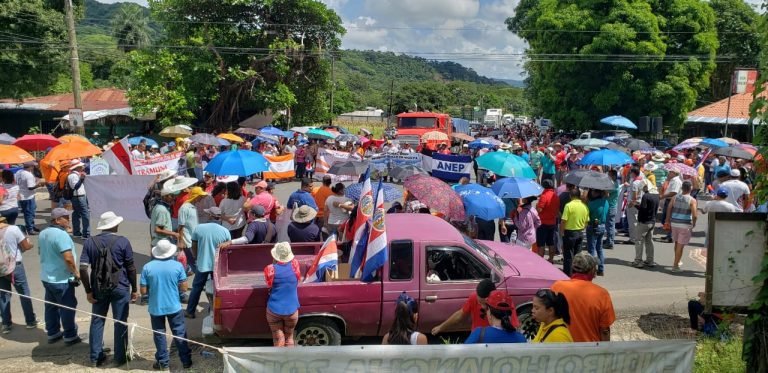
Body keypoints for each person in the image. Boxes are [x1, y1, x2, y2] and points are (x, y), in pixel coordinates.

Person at [79, 212, 138, 367]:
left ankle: (95, 357)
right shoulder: (123, 242)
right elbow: (131, 267)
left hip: (98, 287)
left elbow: (83, 269)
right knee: (120, 321)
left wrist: (88, 290)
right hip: (120, 286)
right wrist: (134, 288)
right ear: (115, 225)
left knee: (97, 320)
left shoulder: (90, 242)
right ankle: (120, 358)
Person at [140, 240, 192, 370]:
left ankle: (163, 362)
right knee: (179, 333)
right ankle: (186, 361)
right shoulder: (178, 266)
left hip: (156, 307)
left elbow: (143, 290)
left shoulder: (147, 267)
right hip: (174, 306)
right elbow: (184, 288)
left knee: (159, 335)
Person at [38, 208, 82, 345]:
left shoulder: (43, 233)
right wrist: (76, 273)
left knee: (51, 306)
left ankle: (53, 332)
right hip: (61, 278)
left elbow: (41, 252)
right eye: (65, 218)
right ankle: (70, 335)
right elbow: (68, 258)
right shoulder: (61, 235)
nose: (68, 220)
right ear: (57, 220)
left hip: (47, 276)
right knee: (67, 307)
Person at [551, 252, 615, 342]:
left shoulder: (557, 286)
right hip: (589, 350)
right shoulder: (602, 294)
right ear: (592, 271)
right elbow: (604, 330)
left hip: (562, 346)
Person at [0, 215, 38, 333]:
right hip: (15, 265)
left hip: (1, 268)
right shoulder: (14, 229)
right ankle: (30, 321)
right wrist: (30, 244)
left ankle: (6, 324)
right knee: (24, 293)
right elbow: (26, 246)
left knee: (3, 295)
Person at [185, 220, 231, 319]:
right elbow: (228, 248)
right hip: (217, 266)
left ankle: (190, 311)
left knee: (196, 287)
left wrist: (196, 257)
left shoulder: (199, 228)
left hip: (202, 264)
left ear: (210, 216)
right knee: (216, 289)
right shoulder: (225, 231)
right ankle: (214, 311)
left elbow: (194, 245)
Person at [264, 242, 301, 347]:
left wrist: (274, 263)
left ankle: (278, 360)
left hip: (274, 310)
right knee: (289, 338)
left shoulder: (270, 269)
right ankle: (289, 360)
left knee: (278, 338)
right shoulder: (295, 265)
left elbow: (268, 284)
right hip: (292, 310)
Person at [665, 181, 697, 272]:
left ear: (682, 188)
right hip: (685, 224)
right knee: (680, 245)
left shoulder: (675, 197)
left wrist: (667, 220)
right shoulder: (692, 200)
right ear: (690, 188)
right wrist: (693, 224)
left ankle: (677, 260)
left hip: (674, 223)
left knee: (676, 243)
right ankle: (675, 266)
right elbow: (695, 215)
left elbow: (669, 208)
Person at [560, 188, 589, 277]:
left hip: (570, 232)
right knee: (577, 255)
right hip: (580, 232)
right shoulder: (585, 206)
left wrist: (561, 231)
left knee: (568, 255)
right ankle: (577, 273)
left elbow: (564, 220)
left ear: (570, 196)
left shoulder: (568, 205)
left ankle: (568, 274)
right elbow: (586, 222)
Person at [633, 179, 660, 269]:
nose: (643, 190)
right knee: (649, 241)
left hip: (644, 221)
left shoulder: (646, 196)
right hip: (652, 221)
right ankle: (650, 260)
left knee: (639, 241)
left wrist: (635, 205)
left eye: (643, 188)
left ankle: (638, 261)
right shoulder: (656, 195)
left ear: (646, 186)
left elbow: (643, 209)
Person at [15, 161, 44, 235]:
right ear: (31, 167)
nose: (34, 167)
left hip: (22, 195)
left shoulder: (19, 171)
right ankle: (30, 228)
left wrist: (36, 179)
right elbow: (30, 187)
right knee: (29, 213)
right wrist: (39, 184)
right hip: (28, 196)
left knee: (28, 212)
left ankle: (31, 225)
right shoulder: (28, 175)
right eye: (33, 166)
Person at [585, 189, 608, 276]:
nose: (592, 193)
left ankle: (592, 270)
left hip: (593, 226)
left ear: (597, 193)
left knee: (591, 249)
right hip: (602, 226)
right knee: (600, 248)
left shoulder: (591, 203)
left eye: (593, 191)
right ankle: (601, 269)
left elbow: (587, 215)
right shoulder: (605, 202)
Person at [536, 179, 559, 261]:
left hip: (542, 223)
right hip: (552, 222)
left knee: (541, 244)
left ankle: (540, 261)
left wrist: (537, 205)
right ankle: (551, 259)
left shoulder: (544, 196)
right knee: (551, 242)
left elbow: (539, 210)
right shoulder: (555, 196)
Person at [660, 169, 682, 243]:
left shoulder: (676, 181)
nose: (668, 173)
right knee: (665, 218)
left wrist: (662, 196)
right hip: (668, 200)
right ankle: (669, 235)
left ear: (674, 173)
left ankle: (671, 236)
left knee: (669, 218)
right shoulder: (672, 180)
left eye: (670, 172)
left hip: (672, 200)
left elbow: (673, 192)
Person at [625, 167, 644, 245]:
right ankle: (636, 237)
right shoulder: (640, 180)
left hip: (634, 204)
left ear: (633, 173)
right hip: (638, 203)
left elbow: (635, 195)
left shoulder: (635, 182)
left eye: (631, 172)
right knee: (635, 221)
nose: (630, 174)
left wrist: (631, 203)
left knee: (632, 222)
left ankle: (633, 239)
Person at [603, 170, 620, 249]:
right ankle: (608, 240)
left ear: (613, 176)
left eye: (609, 175)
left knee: (610, 225)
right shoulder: (614, 183)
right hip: (611, 206)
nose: (608, 177)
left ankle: (610, 242)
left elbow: (606, 193)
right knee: (609, 225)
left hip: (611, 207)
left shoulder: (614, 185)